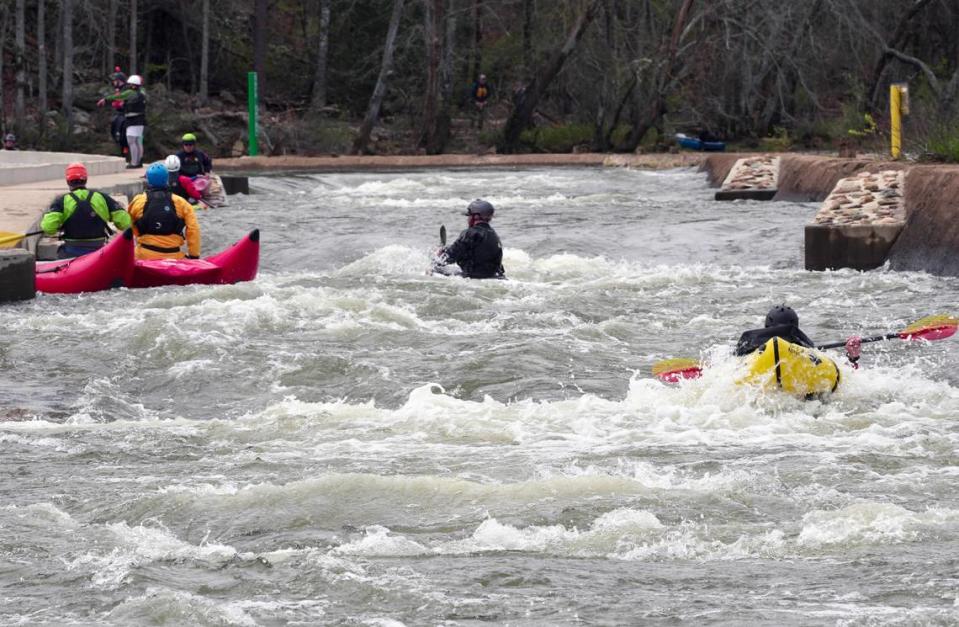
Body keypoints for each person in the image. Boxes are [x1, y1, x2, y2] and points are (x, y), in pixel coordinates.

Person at [40, 162, 132, 259]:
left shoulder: (61, 201)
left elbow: (48, 228)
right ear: (86, 179)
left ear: (68, 181)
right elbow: (126, 223)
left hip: (71, 252)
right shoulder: (102, 198)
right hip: (98, 252)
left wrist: (58, 225)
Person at [735, 305, 861, 366]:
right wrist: (852, 357)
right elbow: (849, 375)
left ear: (766, 327)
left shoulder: (749, 352)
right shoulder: (809, 353)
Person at [126, 162, 201, 260]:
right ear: (167, 179)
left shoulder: (137, 201)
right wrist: (194, 255)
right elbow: (193, 229)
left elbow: (127, 226)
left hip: (143, 255)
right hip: (174, 256)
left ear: (148, 180)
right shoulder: (181, 202)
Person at [434, 199, 505, 279]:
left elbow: (450, 256)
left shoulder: (470, 233)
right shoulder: (495, 236)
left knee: (433, 271)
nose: (468, 219)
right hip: (495, 277)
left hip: (474, 278)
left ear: (476, 216)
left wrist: (439, 255)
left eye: (469, 215)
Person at [97, 74, 146, 169]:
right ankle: (139, 161)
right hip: (141, 119)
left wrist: (105, 99)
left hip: (133, 119)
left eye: (130, 84)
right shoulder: (142, 92)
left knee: (131, 141)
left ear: (133, 85)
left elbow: (119, 96)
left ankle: (134, 163)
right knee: (138, 141)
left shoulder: (131, 93)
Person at [106, 67, 129, 161]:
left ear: (120, 81)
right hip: (120, 113)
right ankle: (121, 150)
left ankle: (125, 152)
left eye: (115, 81)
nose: (114, 82)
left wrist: (121, 103)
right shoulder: (118, 89)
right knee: (114, 127)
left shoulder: (126, 89)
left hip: (126, 115)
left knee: (122, 133)